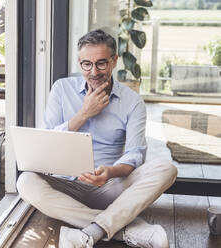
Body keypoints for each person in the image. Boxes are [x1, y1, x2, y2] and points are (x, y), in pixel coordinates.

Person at [16, 29, 177, 248]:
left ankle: (91, 230)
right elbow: (48, 140)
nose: (94, 72)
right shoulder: (61, 89)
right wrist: (83, 113)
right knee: (25, 181)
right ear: (79, 62)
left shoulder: (132, 102)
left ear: (114, 61)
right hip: (65, 186)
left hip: (109, 186)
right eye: (86, 64)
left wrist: (110, 172)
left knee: (166, 168)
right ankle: (122, 227)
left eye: (101, 63)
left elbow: (134, 154)